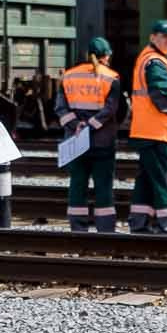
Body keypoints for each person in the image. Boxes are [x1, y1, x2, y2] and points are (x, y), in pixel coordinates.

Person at [54, 37, 126, 231]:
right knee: (103, 186)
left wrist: (78, 125)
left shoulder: (69, 76)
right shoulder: (111, 77)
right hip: (102, 142)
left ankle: (78, 227)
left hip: (76, 142)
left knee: (77, 185)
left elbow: (60, 108)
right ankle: (105, 228)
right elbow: (112, 110)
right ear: (107, 56)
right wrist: (91, 126)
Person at [128, 20, 167, 233]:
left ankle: (139, 223)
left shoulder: (152, 60)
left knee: (146, 180)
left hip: (149, 132)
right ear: (153, 37)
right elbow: (162, 98)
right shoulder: (155, 63)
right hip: (158, 134)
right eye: (165, 36)